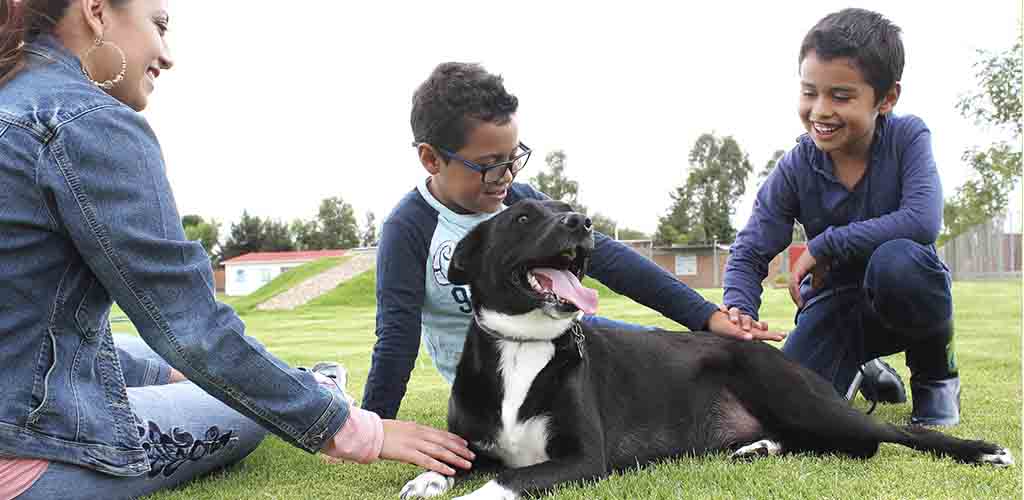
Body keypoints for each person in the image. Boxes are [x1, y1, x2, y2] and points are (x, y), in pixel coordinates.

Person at [0, 1, 472, 498]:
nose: (166, 54)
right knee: (244, 412)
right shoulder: (86, 121)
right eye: (159, 26)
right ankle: (319, 388)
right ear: (96, 10)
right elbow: (192, 329)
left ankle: (299, 383)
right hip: (26, 459)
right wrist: (360, 429)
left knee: (124, 351)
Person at [361, 61, 784, 419]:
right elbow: (397, 335)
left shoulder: (521, 203)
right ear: (432, 158)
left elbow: (612, 260)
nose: (506, 177)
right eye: (490, 165)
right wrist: (375, 426)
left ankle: (767, 398)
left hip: (568, 347)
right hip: (494, 389)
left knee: (676, 354)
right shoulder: (409, 228)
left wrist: (707, 317)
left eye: (513, 159)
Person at [722, 8, 960, 425]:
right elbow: (749, 251)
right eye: (809, 92)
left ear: (886, 99)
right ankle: (864, 368)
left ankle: (936, 377)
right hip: (835, 303)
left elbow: (922, 220)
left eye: (841, 96)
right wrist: (738, 308)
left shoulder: (908, 137)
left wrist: (825, 243)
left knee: (900, 262)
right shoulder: (797, 165)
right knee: (788, 412)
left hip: (902, 289)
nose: (820, 110)